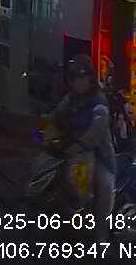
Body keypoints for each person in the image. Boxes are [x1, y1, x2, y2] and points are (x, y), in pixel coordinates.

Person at [49, 55, 115, 237]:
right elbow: (54, 117)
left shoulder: (99, 101)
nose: (80, 82)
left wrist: (80, 143)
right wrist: (41, 132)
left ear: (91, 78)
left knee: (103, 189)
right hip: (72, 151)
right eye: (76, 78)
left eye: (83, 77)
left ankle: (101, 237)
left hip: (99, 155)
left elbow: (97, 129)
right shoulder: (70, 100)